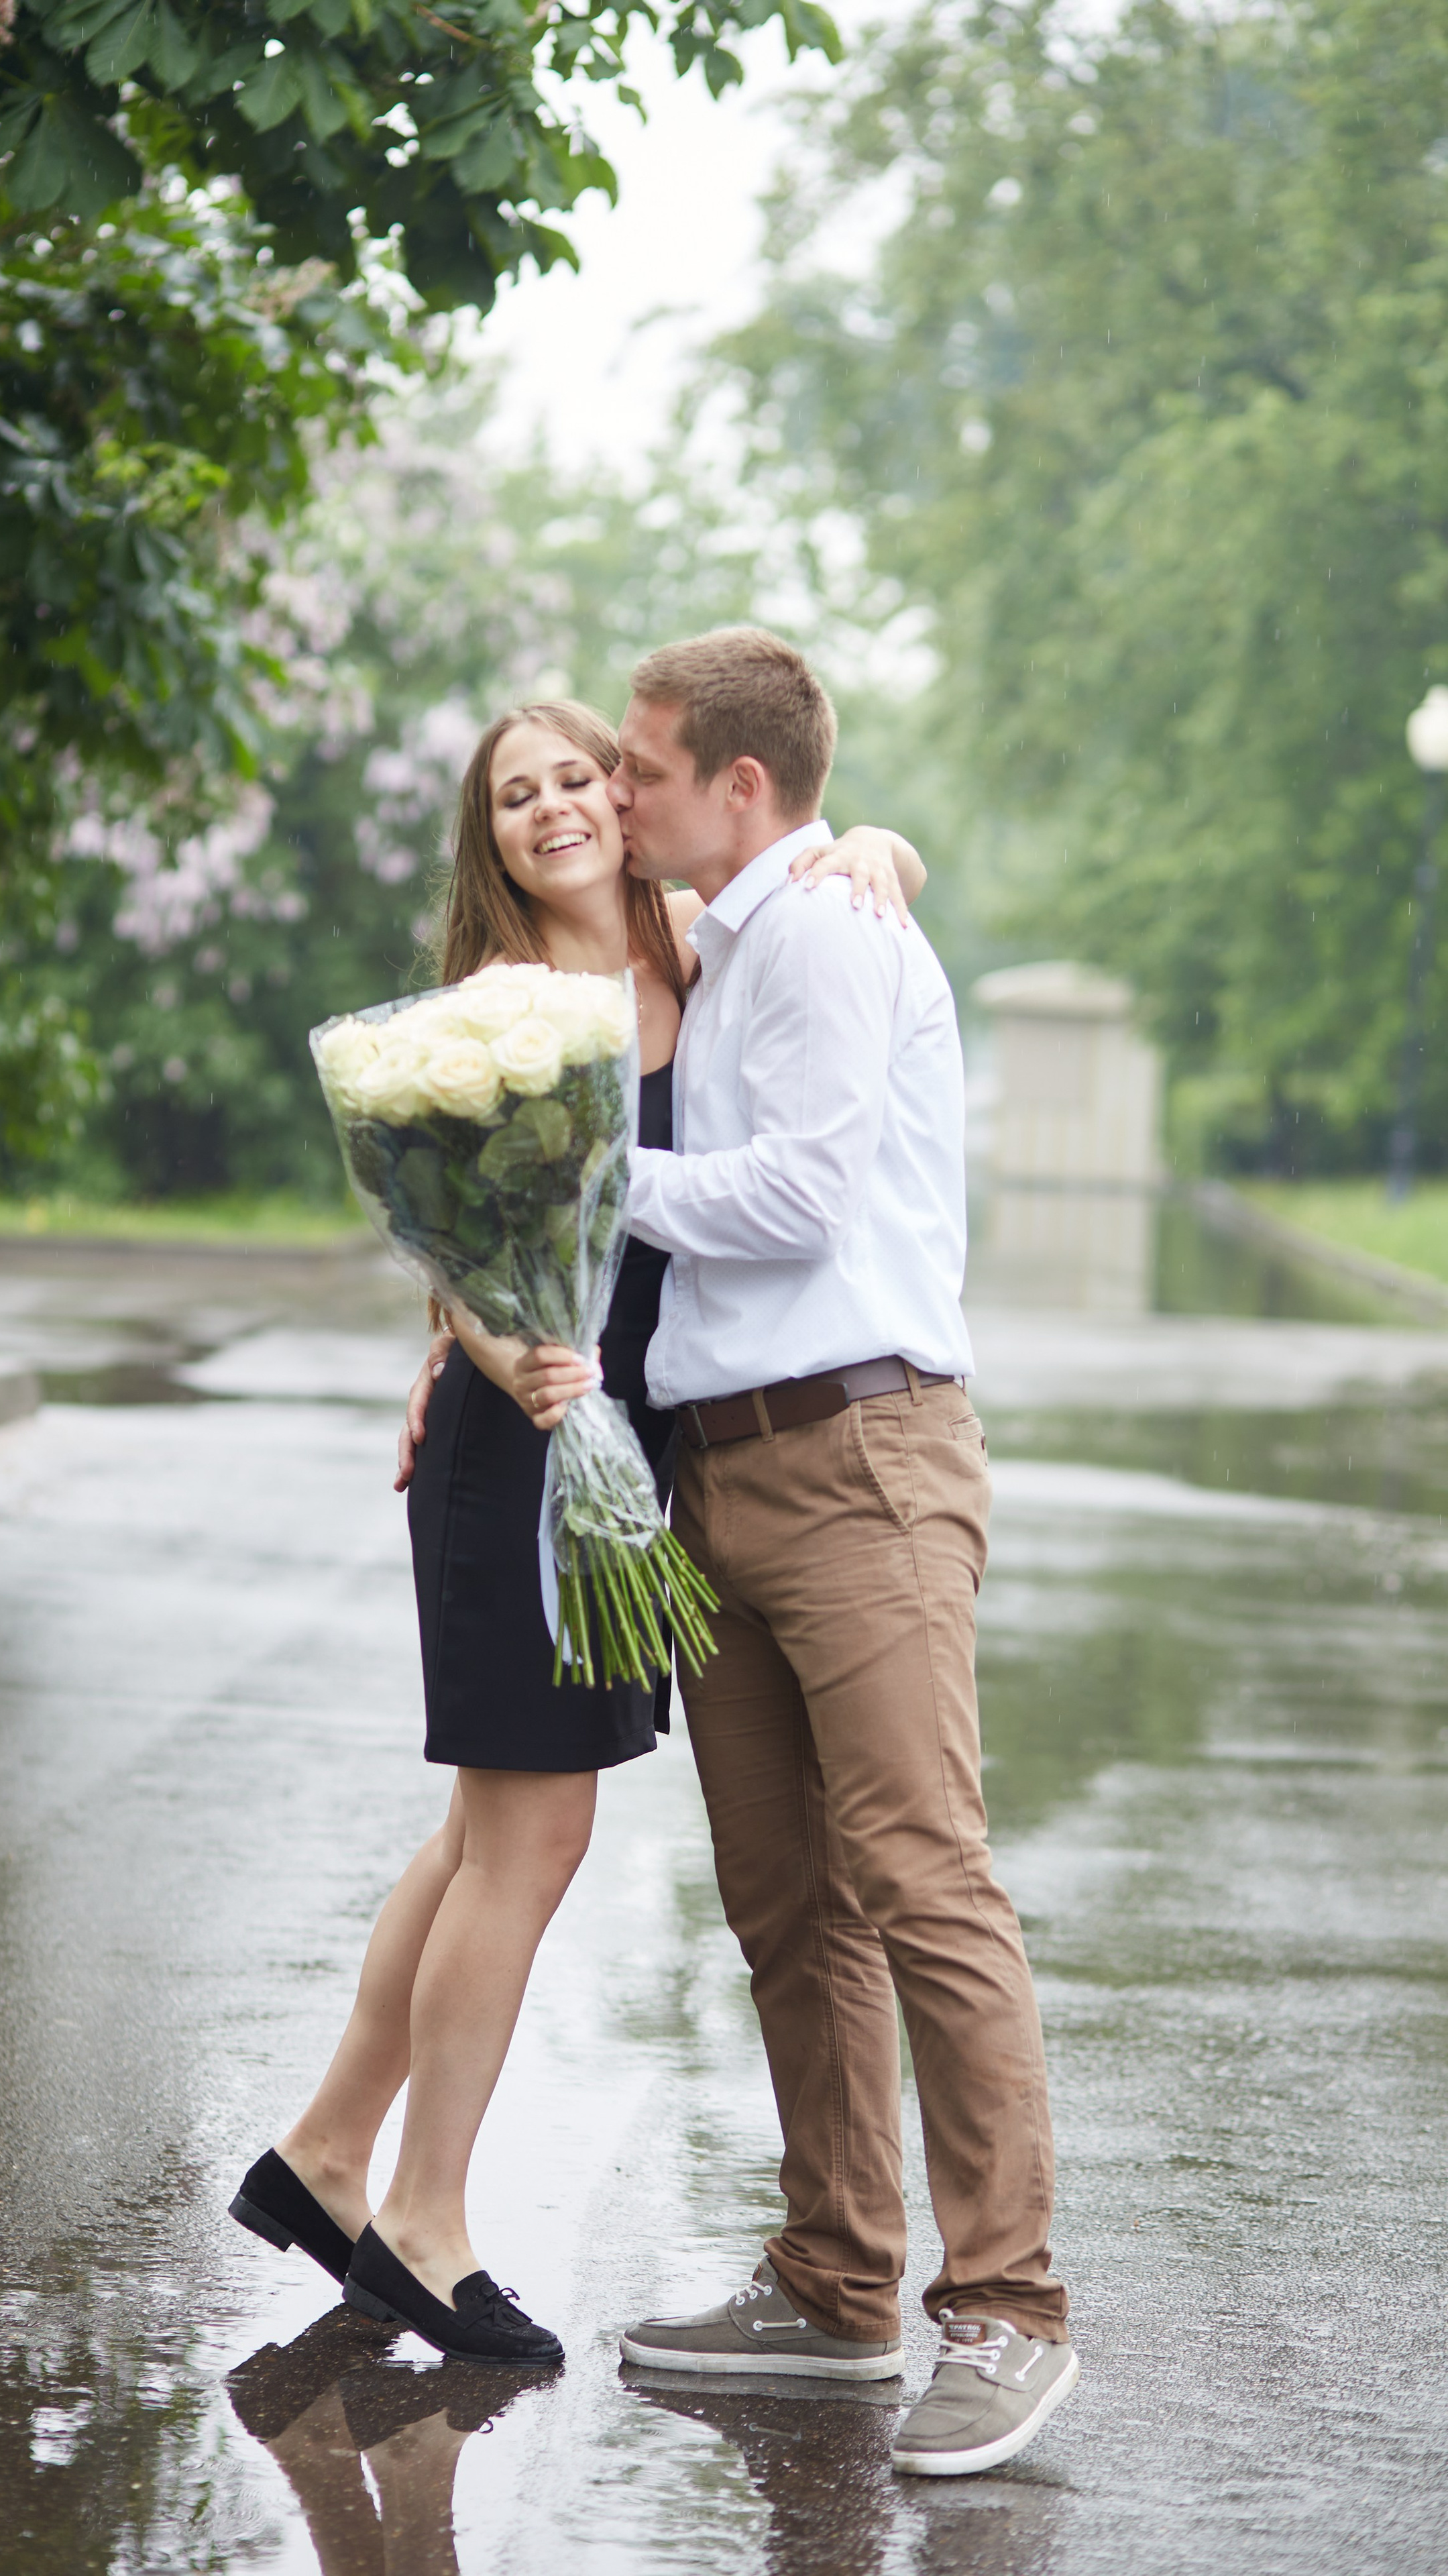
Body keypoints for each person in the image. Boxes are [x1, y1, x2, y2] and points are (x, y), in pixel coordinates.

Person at [229, 696, 925, 2365]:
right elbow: (463, 1245)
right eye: (514, 795)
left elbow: (829, 872)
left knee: (486, 1841)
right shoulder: (496, 1012)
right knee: (526, 1845)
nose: (551, 809)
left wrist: (884, 854)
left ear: (623, 799)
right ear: (492, 835)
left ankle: (326, 2157)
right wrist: (493, 1359)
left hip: (644, 1444)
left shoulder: (698, 946)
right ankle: (423, 2214)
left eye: (572, 778)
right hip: (530, 1436)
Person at [604, 629, 1078, 2481]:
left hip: (863, 1452)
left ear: (742, 783)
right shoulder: (736, 942)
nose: (621, 787)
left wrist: (579, 1169)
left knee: (923, 1878)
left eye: (645, 763)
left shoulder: (825, 933)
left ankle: (1012, 2310)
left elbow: (797, 1197)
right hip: (730, 1470)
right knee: (788, 1898)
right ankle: (835, 2280)